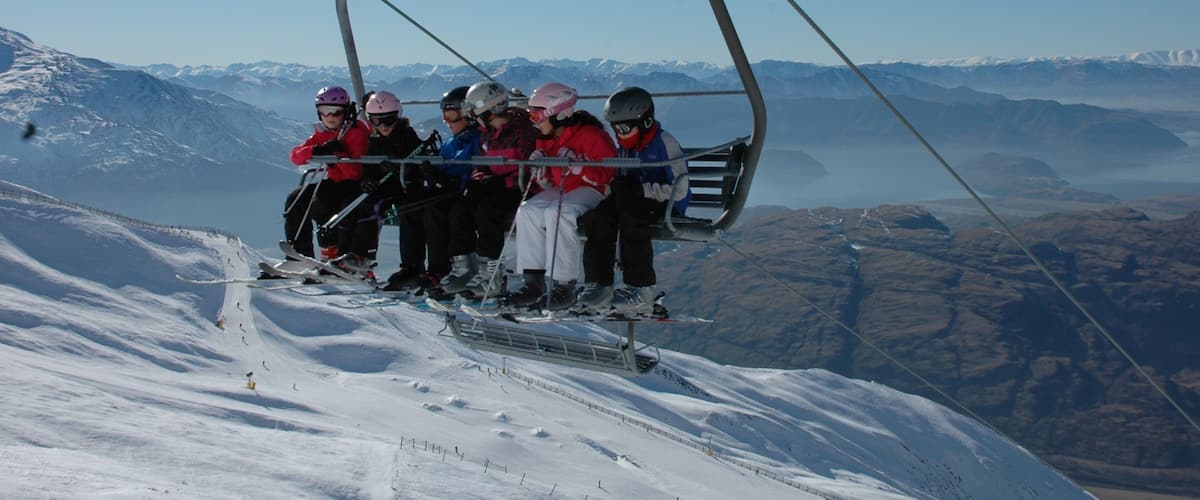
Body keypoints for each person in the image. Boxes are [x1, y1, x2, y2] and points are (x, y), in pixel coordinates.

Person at [576, 87, 690, 316]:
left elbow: (680, 189)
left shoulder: (664, 143)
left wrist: (643, 190)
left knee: (632, 219)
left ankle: (641, 288)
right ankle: (599, 284)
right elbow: (620, 181)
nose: (619, 134)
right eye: (615, 128)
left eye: (624, 128)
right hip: (631, 199)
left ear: (645, 121)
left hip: (664, 204)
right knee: (597, 218)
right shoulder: (625, 149)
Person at [507, 82, 617, 310]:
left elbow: (609, 173)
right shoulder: (547, 138)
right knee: (527, 210)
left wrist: (581, 167)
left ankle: (564, 285)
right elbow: (550, 181)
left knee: (559, 212)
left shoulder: (591, 136)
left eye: (537, 115)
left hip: (593, 189)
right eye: (531, 115)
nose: (534, 121)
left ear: (557, 114)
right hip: (565, 189)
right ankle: (533, 281)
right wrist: (541, 166)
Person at [439, 81, 540, 300]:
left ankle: (492, 274)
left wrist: (498, 181)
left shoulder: (523, 132)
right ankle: (463, 267)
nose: (473, 118)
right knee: (461, 208)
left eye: (474, 112)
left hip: (519, 189)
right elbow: (482, 164)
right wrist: (480, 179)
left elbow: (527, 167)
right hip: (496, 187)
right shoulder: (487, 134)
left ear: (488, 110)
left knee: (487, 211)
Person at [337, 90, 424, 283]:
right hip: (381, 187)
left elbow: (418, 164)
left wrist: (402, 166)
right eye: (377, 121)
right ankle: (344, 256)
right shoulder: (373, 141)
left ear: (397, 117)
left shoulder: (407, 136)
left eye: (388, 120)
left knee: (373, 206)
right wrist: (366, 180)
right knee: (350, 203)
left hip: (400, 189)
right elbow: (367, 168)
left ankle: (363, 257)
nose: (383, 126)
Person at [281, 86, 370, 264]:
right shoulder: (323, 133)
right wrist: (318, 150)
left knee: (322, 204)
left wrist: (336, 156)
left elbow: (355, 172)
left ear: (345, 112)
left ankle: (336, 252)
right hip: (335, 183)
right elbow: (295, 157)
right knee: (295, 199)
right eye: (324, 112)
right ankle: (300, 256)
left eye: (335, 112)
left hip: (356, 185)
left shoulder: (356, 131)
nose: (329, 117)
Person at [416, 86, 480, 294]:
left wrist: (443, 178)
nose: (448, 123)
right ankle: (438, 268)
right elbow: (445, 167)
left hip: (470, 193)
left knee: (454, 211)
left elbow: (471, 168)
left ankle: (463, 266)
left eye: (454, 117)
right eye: (446, 117)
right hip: (451, 190)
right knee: (430, 208)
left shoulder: (477, 139)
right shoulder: (453, 142)